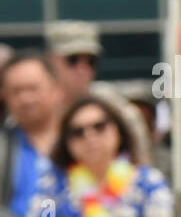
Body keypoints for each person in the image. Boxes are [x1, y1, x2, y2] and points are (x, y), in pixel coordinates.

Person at [28, 97, 173, 217]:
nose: (90, 136)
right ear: (66, 141)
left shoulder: (148, 183)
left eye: (99, 126)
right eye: (77, 132)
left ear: (119, 129)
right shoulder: (51, 189)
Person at [44, 20, 150, 162]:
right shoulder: (39, 109)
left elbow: (140, 161)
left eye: (91, 61)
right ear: (52, 60)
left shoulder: (117, 109)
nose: (83, 69)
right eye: (73, 60)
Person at [1, 51, 62, 217]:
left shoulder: (81, 138)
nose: (25, 99)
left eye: (33, 88)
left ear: (55, 89)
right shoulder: (4, 145)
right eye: (16, 91)